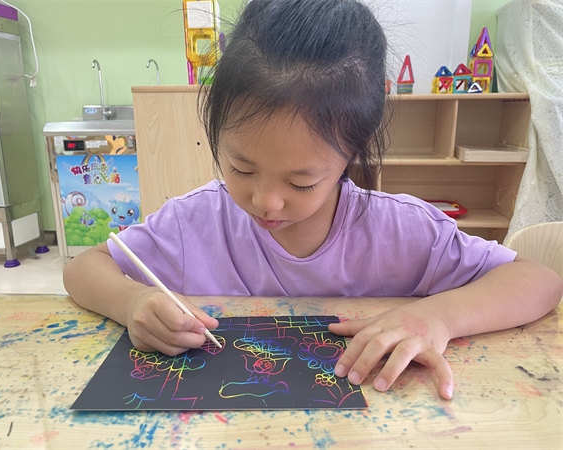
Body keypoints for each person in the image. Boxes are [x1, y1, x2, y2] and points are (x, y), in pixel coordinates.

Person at [63, 0, 562, 401]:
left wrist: (438, 318)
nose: (266, 202)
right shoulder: (194, 220)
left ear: (354, 150)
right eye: (241, 168)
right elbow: (83, 267)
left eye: (302, 182)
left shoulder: (400, 231)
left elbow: (539, 282)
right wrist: (132, 301)